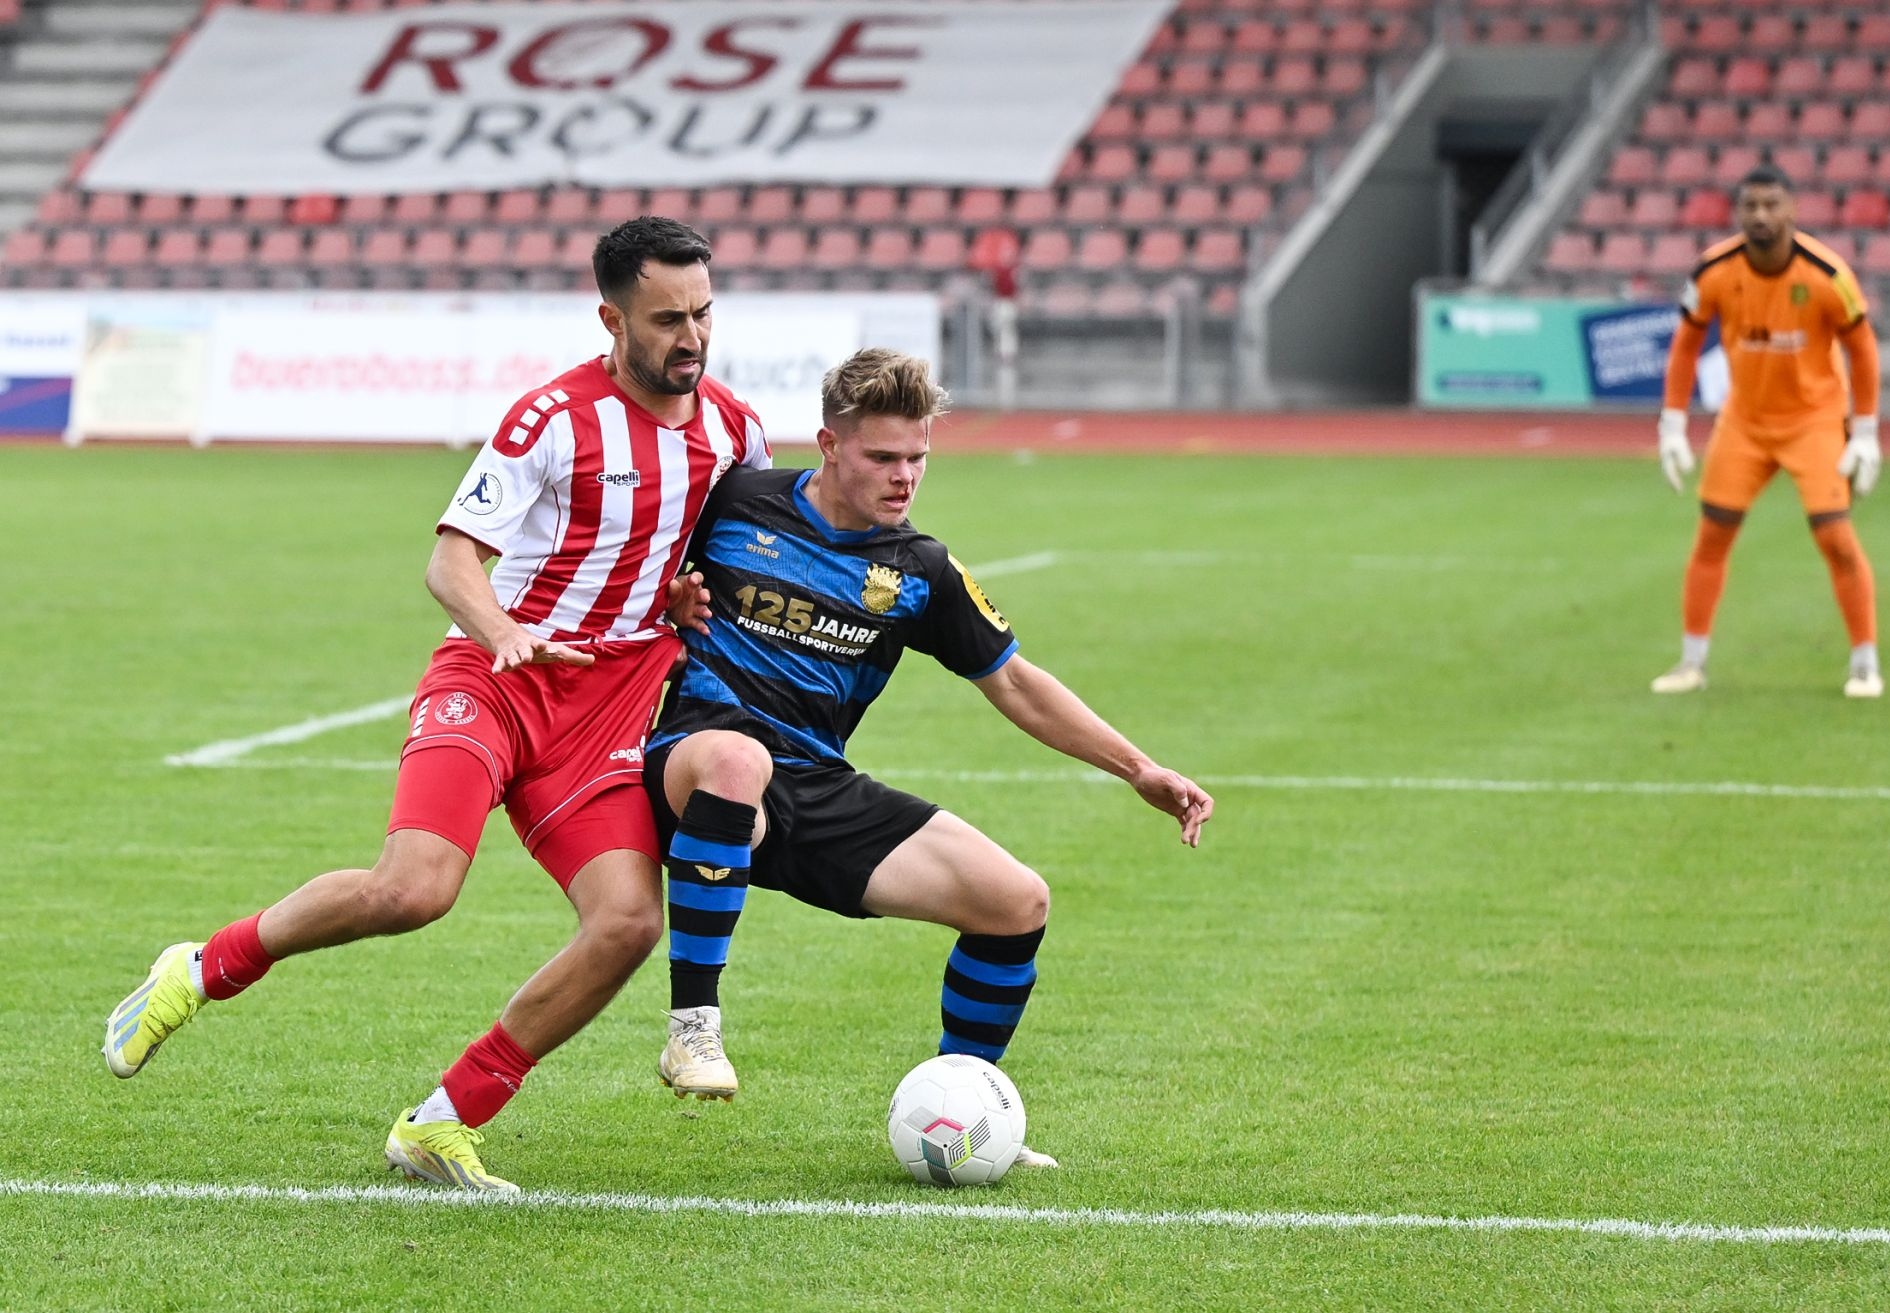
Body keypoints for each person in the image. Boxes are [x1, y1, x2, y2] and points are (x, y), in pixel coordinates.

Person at [103, 217, 770, 1192]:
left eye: (704, 313)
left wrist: (682, 591)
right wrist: (502, 628)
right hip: (494, 682)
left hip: (606, 715)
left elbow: (719, 549)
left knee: (627, 924)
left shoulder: (735, 430)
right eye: (668, 319)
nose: (693, 337)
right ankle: (202, 967)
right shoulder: (552, 419)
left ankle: (444, 1120)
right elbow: (451, 561)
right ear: (612, 319)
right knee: (413, 890)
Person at [643, 347, 1212, 1165]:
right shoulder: (735, 503)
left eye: (917, 457)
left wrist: (1139, 768)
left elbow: (1015, 683)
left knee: (1015, 900)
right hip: (696, 762)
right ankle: (692, 1028)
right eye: (883, 456)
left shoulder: (919, 568)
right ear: (829, 444)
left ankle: (965, 1107)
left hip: (814, 781)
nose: (904, 476)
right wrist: (665, 603)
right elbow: (625, 569)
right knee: (738, 762)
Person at [1653, 163, 1884, 697]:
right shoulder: (1713, 270)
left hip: (1814, 420)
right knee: (1712, 534)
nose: (1761, 215)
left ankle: (1865, 665)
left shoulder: (1827, 275)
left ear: (1792, 209)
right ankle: (1691, 664)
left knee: (1835, 537)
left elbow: (1863, 348)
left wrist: (1866, 431)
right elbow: (1686, 345)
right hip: (1745, 422)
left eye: (1771, 205)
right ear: (1738, 212)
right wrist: (1672, 425)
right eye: (1750, 205)